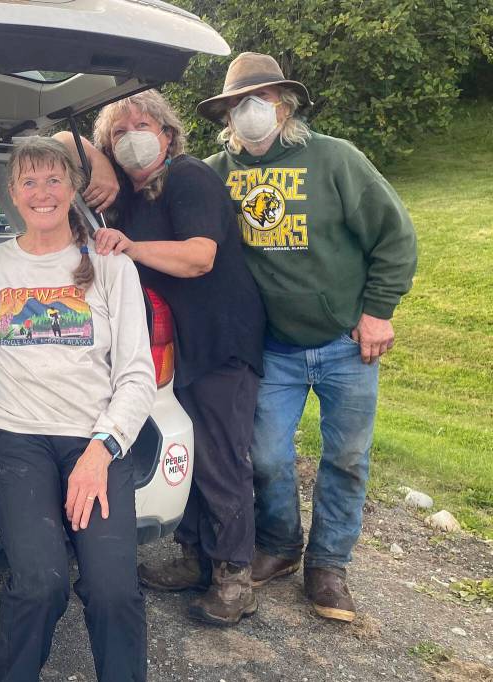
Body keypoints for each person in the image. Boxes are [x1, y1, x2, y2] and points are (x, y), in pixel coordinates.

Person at [197, 52, 418, 622]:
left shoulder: (335, 158)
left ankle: (329, 565)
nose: (250, 111)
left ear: (286, 104)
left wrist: (378, 312)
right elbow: (167, 200)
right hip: (274, 347)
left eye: (262, 99)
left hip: (346, 342)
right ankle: (280, 544)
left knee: (346, 457)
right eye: (237, 103)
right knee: (267, 456)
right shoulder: (216, 173)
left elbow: (395, 237)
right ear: (224, 114)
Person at [0, 137, 155, 682]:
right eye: (29, 181)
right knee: (41, 584)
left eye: (54, 179)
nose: (42, 192)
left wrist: (101, 451)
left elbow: (137, 376)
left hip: (94, 439)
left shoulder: (110, 265)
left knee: (113, 589)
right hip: (12, 438)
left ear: (73, 187)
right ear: (12, 193)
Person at [55, 89, 266, 626]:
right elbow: (57, 137)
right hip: (174, 347)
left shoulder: (190, 178)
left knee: (221, 459)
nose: (132, 138)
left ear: (168, 135)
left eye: (142, 126)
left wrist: (130, 247)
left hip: (220, 340)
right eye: (118, 132)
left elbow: (199, 257)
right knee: (187, 453)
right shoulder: (126, 193)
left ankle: (234, 577)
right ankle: (194, 558)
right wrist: (100, 160)